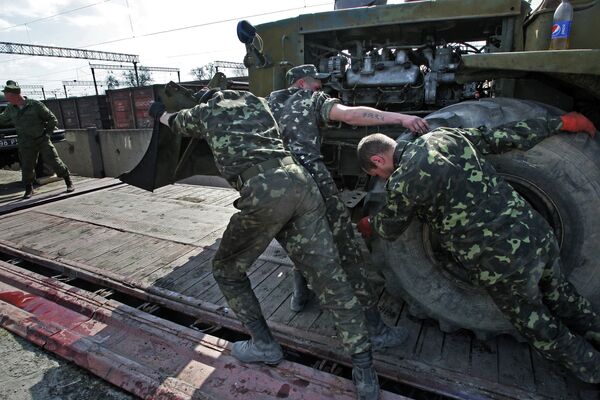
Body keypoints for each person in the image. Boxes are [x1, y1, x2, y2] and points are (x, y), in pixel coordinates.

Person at [148, 89, 379, 399]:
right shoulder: (259, 102)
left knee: (227, 271)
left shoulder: (207, 111)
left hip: (264, 191)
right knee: (330, 277)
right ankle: (364, 370)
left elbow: (175, 122)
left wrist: (158, 112)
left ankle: (264, 345)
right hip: (301, 183)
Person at [356, 113, 600, 383]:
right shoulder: (444, 136)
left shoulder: (404, 181)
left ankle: (591, 367)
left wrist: (368, 223)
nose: (381, 177)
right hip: (535, 233)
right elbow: (501, 137)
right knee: (565, 297)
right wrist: (560, 123)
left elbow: (390, 227)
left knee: (539, 325)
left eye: (376, 173)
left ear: (377, 160)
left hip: (502, 261)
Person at [267, 64, 428, 351]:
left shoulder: (268, 103)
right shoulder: (309, 99)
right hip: (310, 180)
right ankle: (376, 332)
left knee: (298, 236)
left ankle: (300, 295)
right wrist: (402, 118)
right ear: (302, 84)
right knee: (348, 252)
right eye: (317, 85)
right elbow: (351, 115)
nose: (321, 89)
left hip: (275, 183)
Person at [0, 80, 74, 199]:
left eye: (8, 96)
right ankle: (29, 189)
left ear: (15, 95)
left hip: (41, 139)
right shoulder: (10, 108)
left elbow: (52, 119)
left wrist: (47, 134)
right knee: (27, 166)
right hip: (25, 142)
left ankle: (68, 182)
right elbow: (2, 120)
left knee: (54, 161)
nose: (7, 99)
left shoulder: (35, 105)